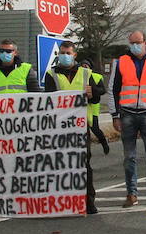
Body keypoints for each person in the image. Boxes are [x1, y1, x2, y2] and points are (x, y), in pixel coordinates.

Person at [43, 40, 105, 214]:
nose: (65, 56)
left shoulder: (86, 73)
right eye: (62, 53)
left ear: (74, 55)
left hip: (80, 127)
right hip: (59, 128)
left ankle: (88, 202)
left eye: (68, 53)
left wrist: (92, 94)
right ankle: (64, 201)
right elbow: (48, 99)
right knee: (61, 165)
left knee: (84, 164)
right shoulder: (51, 74)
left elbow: (98, 94)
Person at [112, 30, 146, 208]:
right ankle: (131, 193)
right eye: (132, 43)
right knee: (129, 157)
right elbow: (114, 89)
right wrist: (115, 115)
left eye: (138, 42)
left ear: (145, 43)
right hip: (127, 114)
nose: (134, 46)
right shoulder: (121, 62)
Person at [78, 55, 112, 156]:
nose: (84, 67)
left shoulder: (96, 77)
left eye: (86, 66)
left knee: (95, 129)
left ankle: (104, 143)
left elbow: (103, 90)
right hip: (80, 107)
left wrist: (93, 91)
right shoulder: (77, 77)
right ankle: (86, 152)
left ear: (90, 68)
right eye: (82, 66)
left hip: (92, 107)